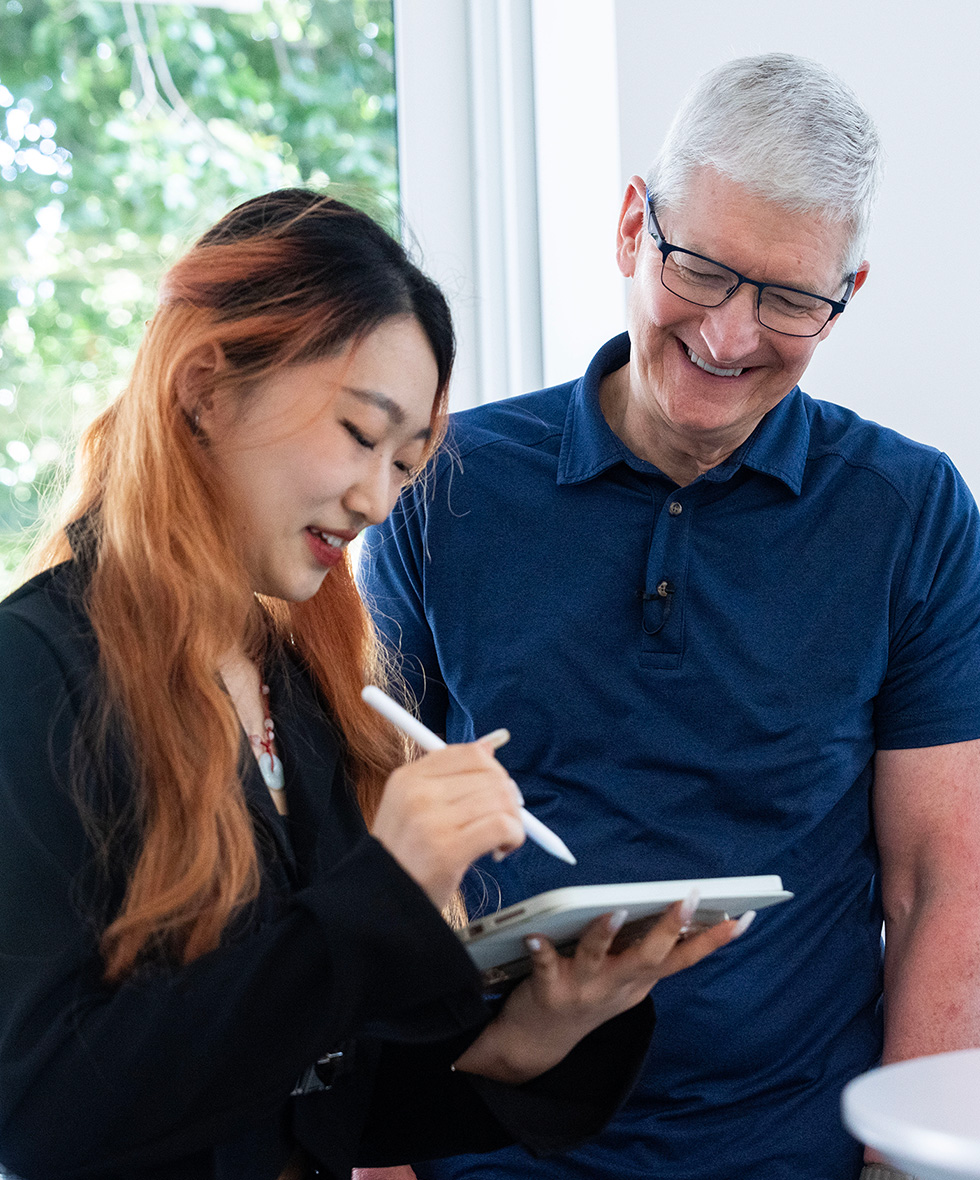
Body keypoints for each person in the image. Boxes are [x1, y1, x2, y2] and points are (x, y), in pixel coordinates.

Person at [0, 190, 750, 1180]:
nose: (376, 499)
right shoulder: (35, 671)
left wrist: (533, 1031)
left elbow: (309, 1093)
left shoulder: (290, 685)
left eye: (406, 463)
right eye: (360, 433)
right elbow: (44, 1113)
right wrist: (382, 891)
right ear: (206, 387)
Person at [360, 52, 980, 1180]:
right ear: (630, 227)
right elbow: (375, 846)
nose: (732, 337)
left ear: (847, 295)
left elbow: (942, 876)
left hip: (789, 1148)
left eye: (790, 296)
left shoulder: (911, 511)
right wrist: (377, 1154)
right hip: (488, 1145)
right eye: (699, 271)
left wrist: (909, 1163)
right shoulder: (439, 485)